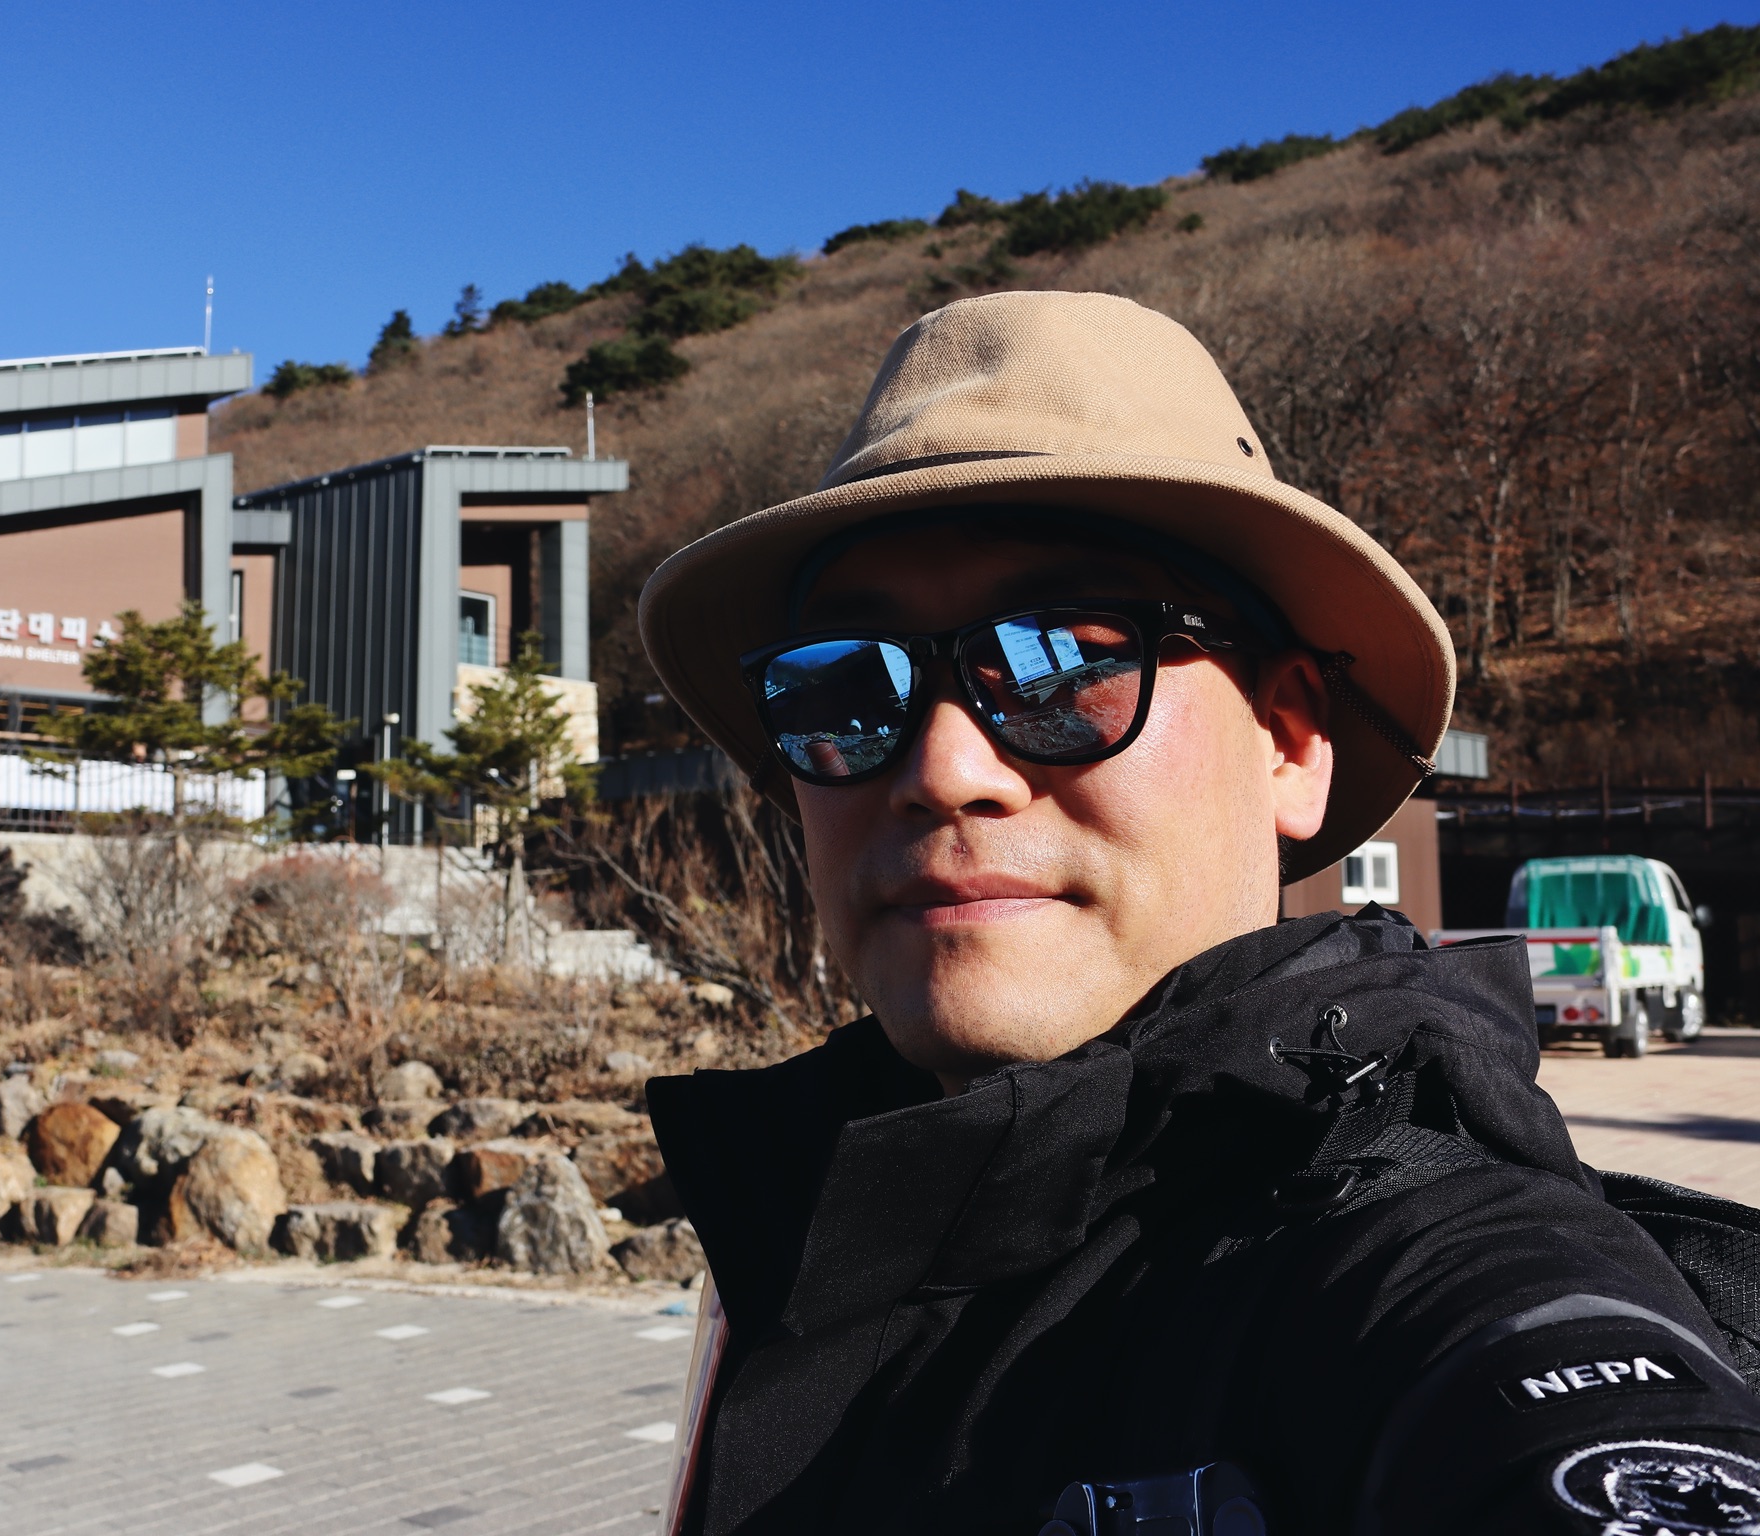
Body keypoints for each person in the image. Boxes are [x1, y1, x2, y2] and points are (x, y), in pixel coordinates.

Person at [635, 291, 1760, 1535]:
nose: (943, 770)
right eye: (844, 688)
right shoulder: (802, 1224)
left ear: (1288, 738)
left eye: (1069, 660)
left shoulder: (1431, 1262)